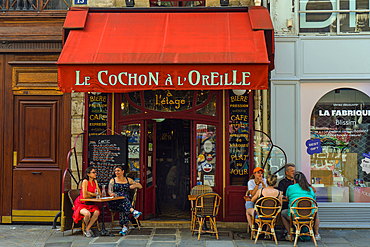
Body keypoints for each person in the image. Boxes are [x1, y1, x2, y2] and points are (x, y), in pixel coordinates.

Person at [281, 171, 321, 241]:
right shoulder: (310, 189)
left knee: (282, 213)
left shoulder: (290, 187)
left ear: (295, 180)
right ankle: (316, 234)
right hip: (309, 216)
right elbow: (314, 199)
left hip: (294, 215)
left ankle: (290, 234)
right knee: (315, 213)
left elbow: (287, 198)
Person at [107, 165, 143, 236]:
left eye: (118, 171)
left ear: (123, 171)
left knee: (124, 206)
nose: (116, 172)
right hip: (115, 202)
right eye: (115, 171)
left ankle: (124, 228)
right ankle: (133, 211)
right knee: (124, 200)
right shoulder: (113, 180)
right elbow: (109, 192)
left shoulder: (128, 179)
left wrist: (134, 185)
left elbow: (140, 186)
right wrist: (112, 194)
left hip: (124, 203)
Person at [72, 166, 101, 237]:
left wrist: (90, 193)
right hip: (82, 203)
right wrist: (93, 194)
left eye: (95, 172)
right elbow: (84, 196)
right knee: (87, 214)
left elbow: (99, 194)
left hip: (90, 203)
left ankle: (87, 228)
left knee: (96, 212)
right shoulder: (85, 181)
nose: (95, 174)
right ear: (88, 174)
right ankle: (88, 229)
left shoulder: (95, 181)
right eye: (93, 172)